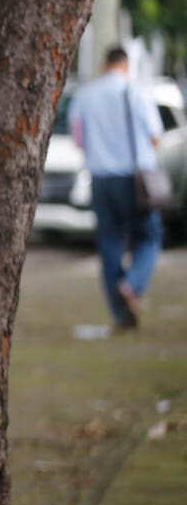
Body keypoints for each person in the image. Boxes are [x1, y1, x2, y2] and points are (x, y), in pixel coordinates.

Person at [68, 45, 164, 329]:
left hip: (100, 179)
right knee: (149, 236)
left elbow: (77, 138)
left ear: (104, 64)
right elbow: (156, 137)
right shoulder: (136, 92)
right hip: (133, 181)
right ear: (126, 65)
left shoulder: (85, 95)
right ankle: (132, 284)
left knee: (110, 244)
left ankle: (120, 315)